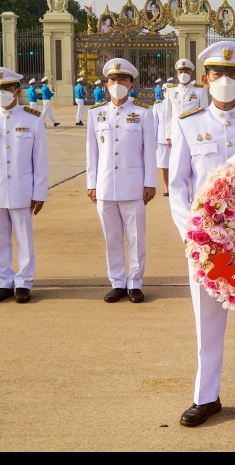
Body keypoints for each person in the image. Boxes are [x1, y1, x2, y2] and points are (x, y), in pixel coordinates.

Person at [169, 41, 235, 430]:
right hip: (205, 245)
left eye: (232, 74)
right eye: (217, 74)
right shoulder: (188, 123)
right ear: (204, 79)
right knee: (207, 323)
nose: (225, 80)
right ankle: (206, 397)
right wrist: (191, 232)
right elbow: (178, 185)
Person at [0, 67, 48, 304]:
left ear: (17, 90)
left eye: (6, 88)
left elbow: (40, 160)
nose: (1, 92)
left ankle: (24, 282)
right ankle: (4, 281)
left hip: (22, 190)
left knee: (24, 237)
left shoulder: (32, 118)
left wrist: (40, 193)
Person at [86, 58, 156, 304]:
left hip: (134, 186)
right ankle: (117, 281)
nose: (117, 84)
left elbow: (150, 151)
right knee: (111, 237)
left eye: (122, 80)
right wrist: (91, 183)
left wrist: (150, 182)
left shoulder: (143, 114)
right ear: (106, 84)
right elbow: (91, 151)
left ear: (132, 83)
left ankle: (135, 282)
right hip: (105, 186)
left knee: (136, 237)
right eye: (113, 80)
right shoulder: (96, 114)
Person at [162, 58, 207, 197]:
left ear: (191, 73)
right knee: (177, 165)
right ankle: (178, 194)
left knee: (196, 164)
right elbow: (168, 115)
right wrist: (168, 135)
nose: (184, 73)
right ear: (177, 73)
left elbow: (204, 113)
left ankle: (197, 192)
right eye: (181, 71)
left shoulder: (200, 91)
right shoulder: (171, 91)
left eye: (186, 71)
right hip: (176, 132)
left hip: (194, 132)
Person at [152, 78, 169, 195]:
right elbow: (154, 124)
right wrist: (153, 141)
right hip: (162, 139)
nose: (167, 93)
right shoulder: (158, 106)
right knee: (163, 164)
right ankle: (166, 187)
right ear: (163, 92)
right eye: (166, 91)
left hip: (176, 139)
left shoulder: (178, 106)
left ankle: (174, 186)